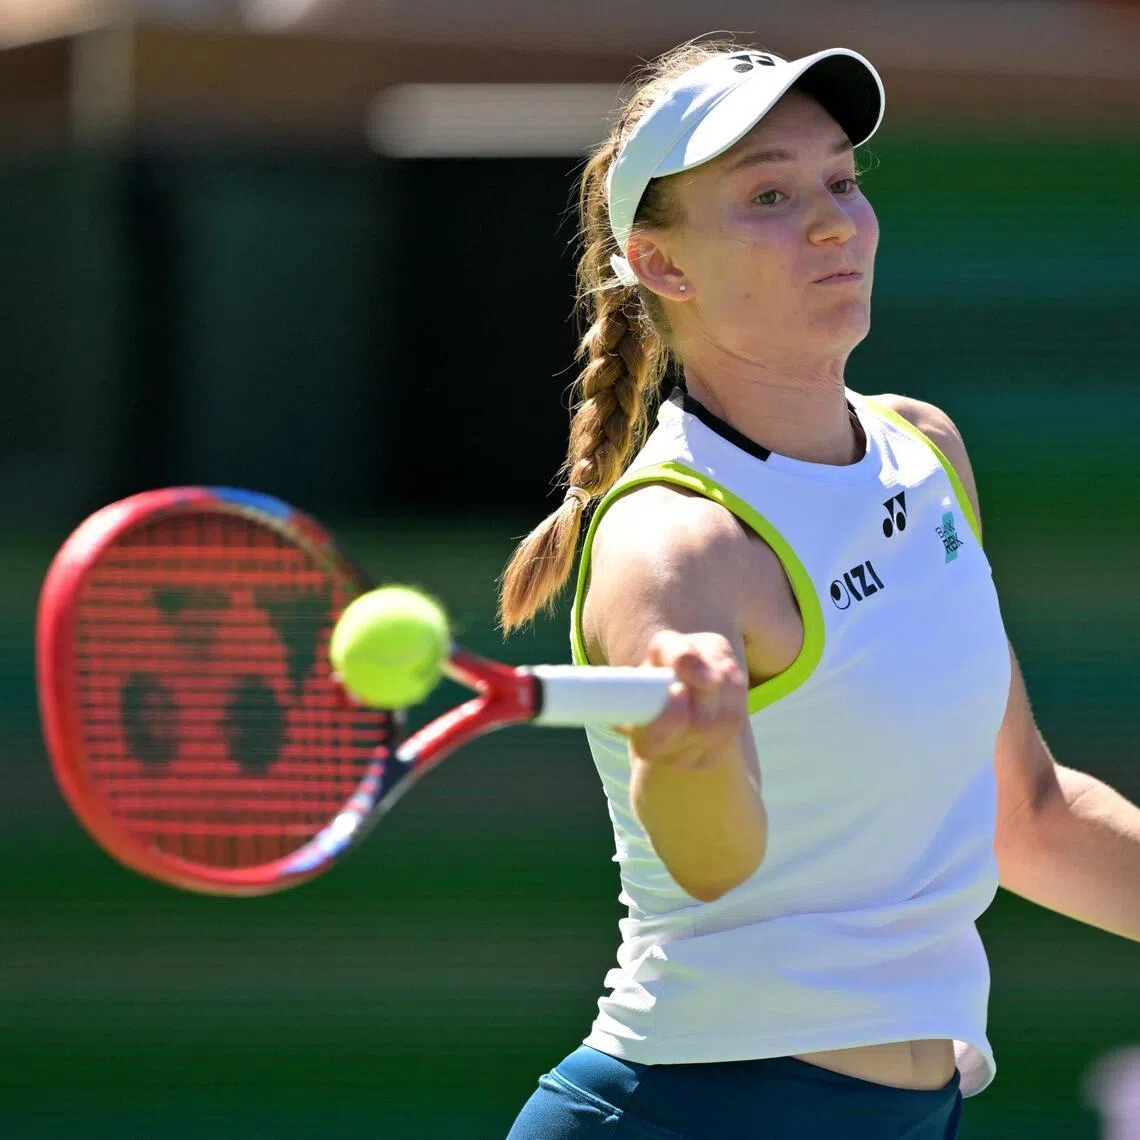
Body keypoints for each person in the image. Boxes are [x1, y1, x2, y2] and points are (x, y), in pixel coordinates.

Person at [498, 36, 1140, 1140]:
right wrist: (690, 754)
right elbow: (709, 863)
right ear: (663, 264)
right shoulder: (674, 545)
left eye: (841, 180)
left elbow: (1024, 817)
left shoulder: (926, 451)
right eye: (769, 195)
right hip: (696, 1113)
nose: (836, 221)